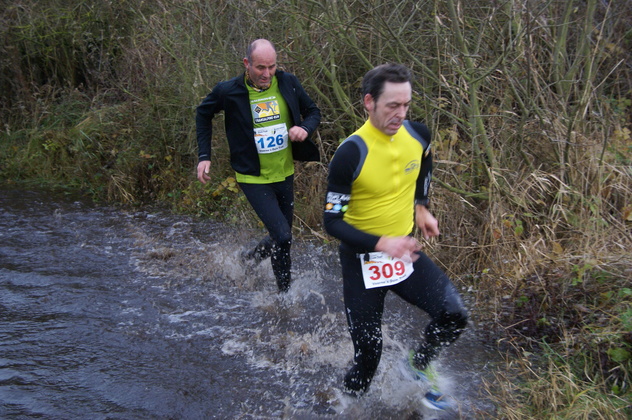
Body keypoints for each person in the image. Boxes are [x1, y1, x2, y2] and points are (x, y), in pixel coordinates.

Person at [323, 63, 468, 401]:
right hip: (362, 262)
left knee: (454, 315)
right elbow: (332, 223)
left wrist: (421, 205)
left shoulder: (418, 135)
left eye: (406, 105)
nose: (401, 114)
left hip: (403, 254)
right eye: (392, 106)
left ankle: (418, 365)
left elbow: (425, 161)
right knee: (369, 356)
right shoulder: (350, 153)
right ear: (368, 102)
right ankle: (345, 407)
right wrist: (381, 242)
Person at [196, 39, 321, 292]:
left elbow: (313, 111)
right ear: (247, 64)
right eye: (260, 68)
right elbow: (203, 113)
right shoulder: (229, 90)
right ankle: (284, 296)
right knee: (284, 236)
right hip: (252, 176)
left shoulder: (288, 82)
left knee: (281, 237)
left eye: (272, 67)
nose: (267, 74)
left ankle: (250, 258)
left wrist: (304, 128)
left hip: (284, 173)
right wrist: (204, 155)